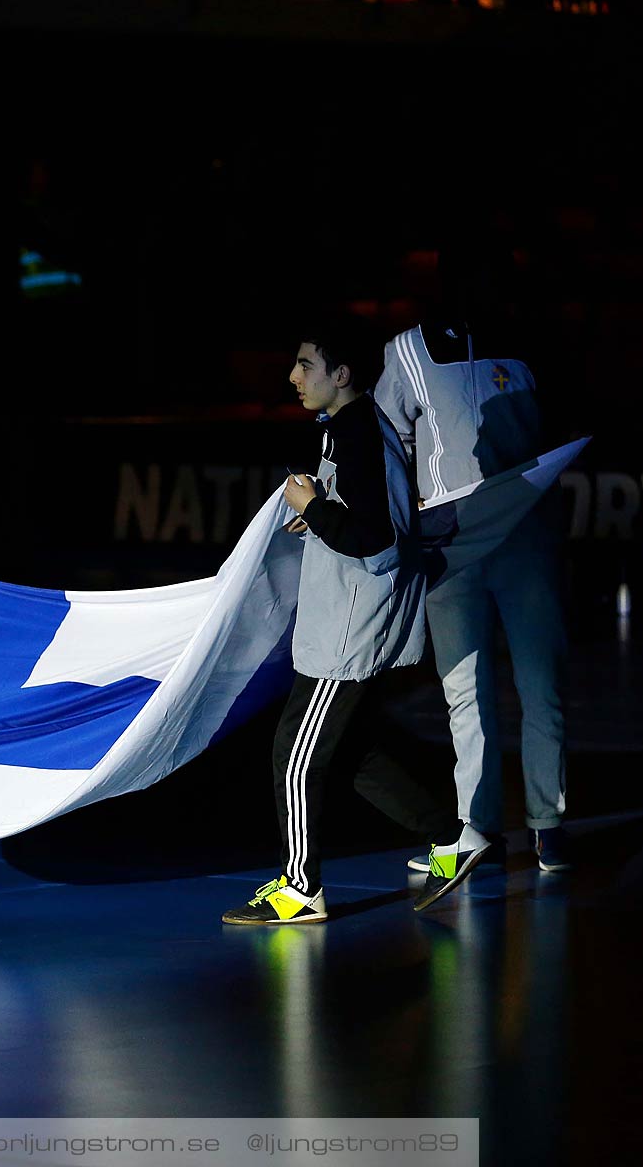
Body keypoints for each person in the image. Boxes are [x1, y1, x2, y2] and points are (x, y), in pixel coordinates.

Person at [223, 332, 484, 926]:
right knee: (350, 752)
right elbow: (371, 519)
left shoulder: (361, 431)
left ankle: (301, 888)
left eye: (305, 364)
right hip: (351, 622)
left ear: (341, 374)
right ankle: (453, 839)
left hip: (349, 632)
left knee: (295, 753)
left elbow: (378, 541)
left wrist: (315, 508)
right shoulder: (353, 426)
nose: (293, 375)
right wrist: (319, 517)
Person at [374, 244, 571, 873]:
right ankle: (476, 829)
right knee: (467, 693)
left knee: (541, 687)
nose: (488, 295)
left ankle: (549, 824)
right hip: (450, 548)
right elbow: (387, 444)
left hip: (525, 544)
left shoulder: (528, 345)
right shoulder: (405, 351)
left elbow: (553, 435)